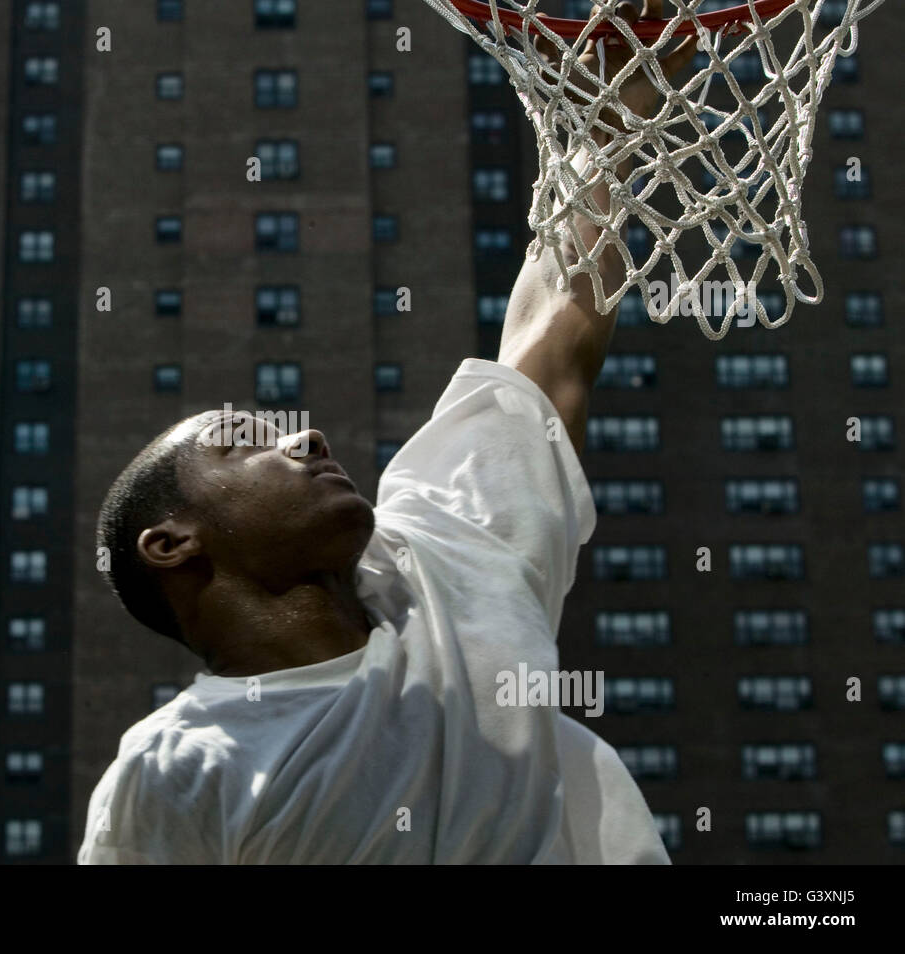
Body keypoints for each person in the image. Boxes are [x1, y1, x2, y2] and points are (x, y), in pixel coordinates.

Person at [79, 0, 698, 864]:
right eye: (241, 441)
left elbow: (550, 344)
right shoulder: (173, 768)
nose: (304, 440)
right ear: (171, 542)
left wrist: (614, 118)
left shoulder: (443, 558)